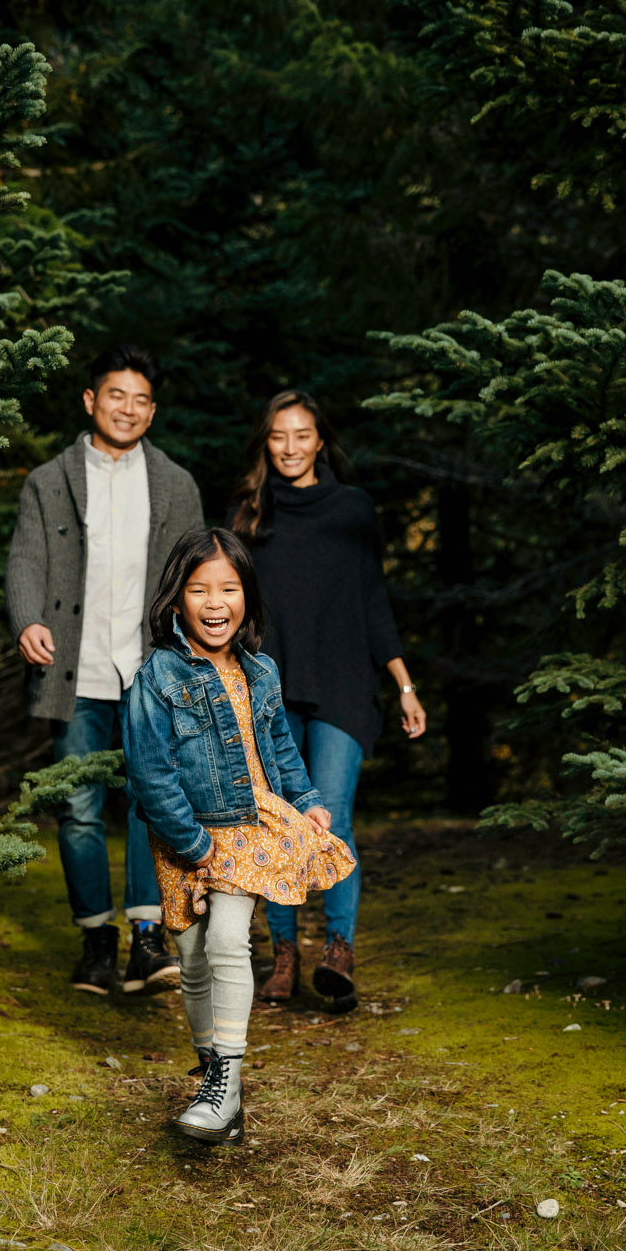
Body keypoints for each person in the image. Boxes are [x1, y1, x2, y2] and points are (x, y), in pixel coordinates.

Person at [122, 527, 355, 1143]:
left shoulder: (261, 670)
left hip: (250, 828)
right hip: (186, 836)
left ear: (247, 596)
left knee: (228, 939)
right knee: (194, 958)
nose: (215, 602)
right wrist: (192, 844)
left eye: (229, 588)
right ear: (176, 600)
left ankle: (225, 1080)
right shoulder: (158, 676)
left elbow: (279, 744)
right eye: (199, 589)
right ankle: (214, 1077)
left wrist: (305, 801)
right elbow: (151, 773)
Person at [7, 345, 205, 996]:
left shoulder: (176, 484)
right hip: (78, 671)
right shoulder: (50, 479)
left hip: (149, 672)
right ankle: (97, 940)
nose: (128, 408)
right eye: (115, 395)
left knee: (152, 805)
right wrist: (28, 620)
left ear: (153, 410)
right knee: (80, 810)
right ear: (91, 401)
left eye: (141, 399)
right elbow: (26, 561)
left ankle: (148, 939)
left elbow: (194, 576)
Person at [227, 391, 426, 1010]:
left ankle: (338, 951)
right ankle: (284, 954)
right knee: (280, 821)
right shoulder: (249, 515)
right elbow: (227, 601)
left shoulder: (353, 510)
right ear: (267, 442)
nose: (290, 448)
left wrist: (404, 683)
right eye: (278, 436)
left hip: (343, 685)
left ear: (320, 440)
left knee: (331, 814)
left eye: (302, 435)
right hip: (270, 690)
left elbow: (373, 602)